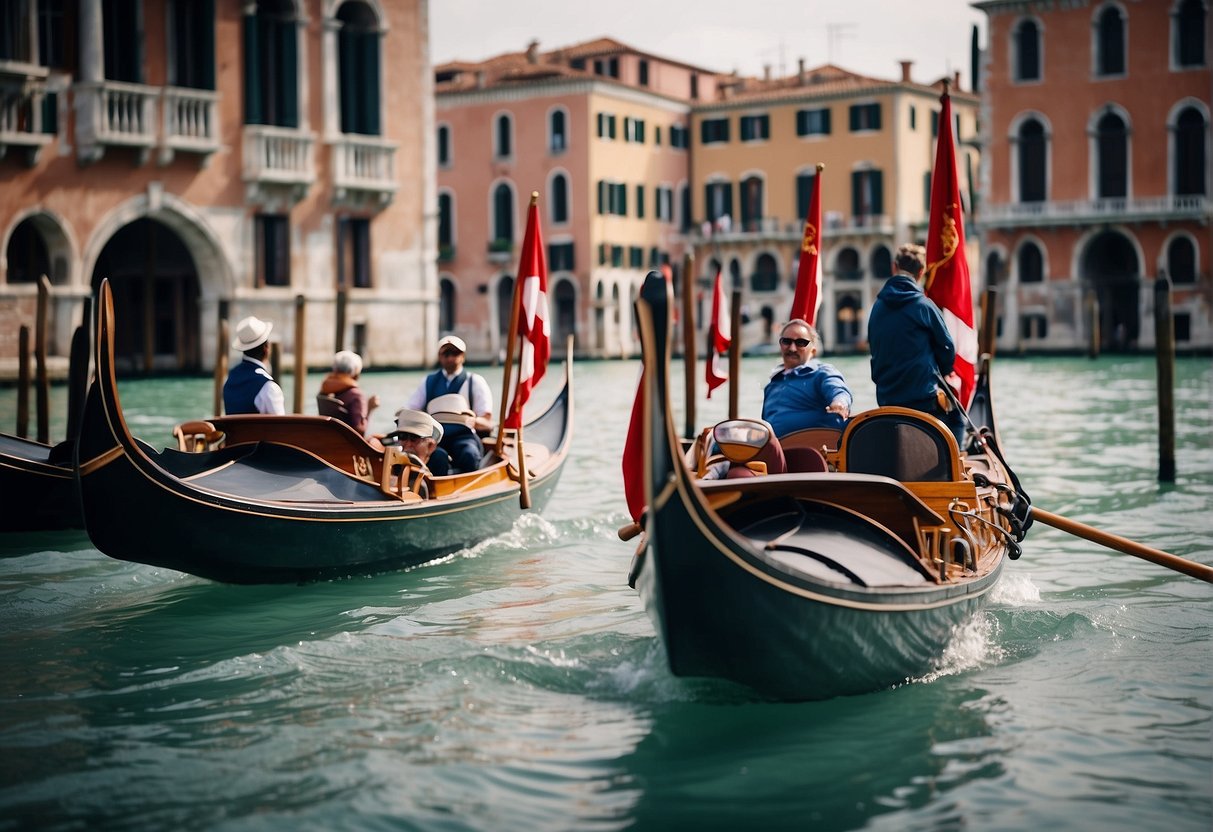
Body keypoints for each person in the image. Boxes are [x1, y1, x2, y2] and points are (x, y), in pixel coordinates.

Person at [866, 243, 965, 444]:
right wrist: (944, 369)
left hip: (887, 397)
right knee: (958, 420)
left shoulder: (877, 307)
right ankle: (954, 466)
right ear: (921, 273)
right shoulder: (924, 305)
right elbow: (947, 347)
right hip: (922, 397)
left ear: (894, 267)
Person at [402, 335, 493, 473]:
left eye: (455, 353)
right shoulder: (428, 382)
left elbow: (487, 421)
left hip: (465, 436)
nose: (451, 357)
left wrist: (473, 421)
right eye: (446, 353)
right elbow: (411, 411)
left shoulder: (475, 382)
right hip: (435, 439)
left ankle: (468, 488)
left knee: (469, 454)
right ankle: (436, 490)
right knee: (437, 457)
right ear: (440, 356)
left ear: (463, 356)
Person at [761, 319, 852, 438]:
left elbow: (838, 390)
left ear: (813, 351)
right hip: (774, 450)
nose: (792, 348)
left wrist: (840, 402)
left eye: (801, 343)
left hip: (814, 450)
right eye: (786, 341)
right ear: (780, 346)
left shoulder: (822, 373)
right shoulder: (771, 386)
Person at [223, 315, 285, 415]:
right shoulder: (268, 386)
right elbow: (282, 428)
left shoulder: (230, 379)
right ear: (266, 348)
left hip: (234, 431)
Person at [385, 409, 449, 496]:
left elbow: (439, 494)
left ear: (430, 446)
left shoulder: (439, 458)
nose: (408, 444)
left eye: (414, 438)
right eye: (402, 436)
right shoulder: (396, 460)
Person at [318, 350, 380, 435]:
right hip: (347, 445)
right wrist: (370, 407)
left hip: (329, 438)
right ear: (356, 372)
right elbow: (360, 431)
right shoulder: (356, 395)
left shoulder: (324, 392)